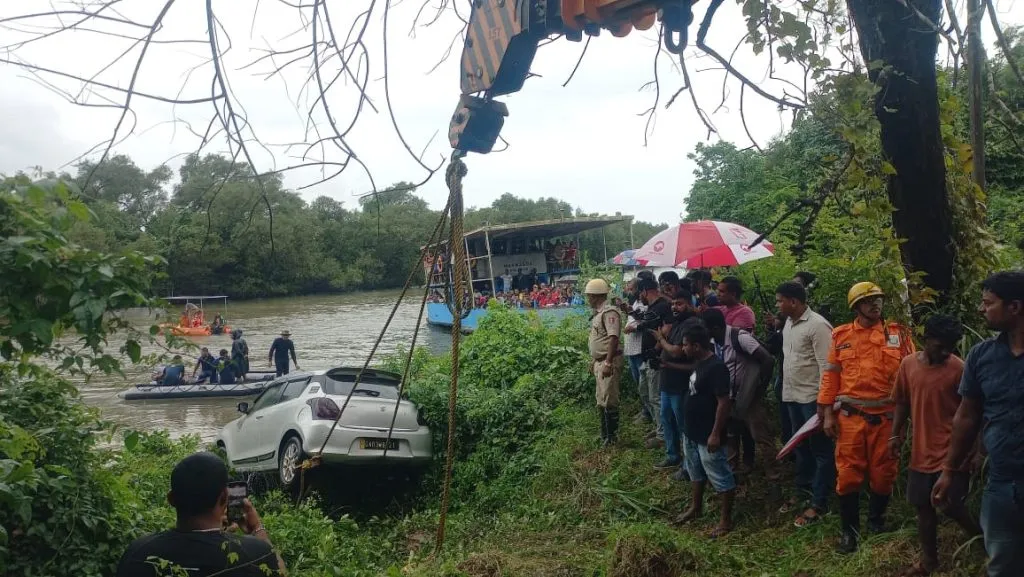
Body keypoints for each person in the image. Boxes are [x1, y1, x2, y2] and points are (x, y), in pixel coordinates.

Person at [933, 271, 1024, 577]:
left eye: (988, 303)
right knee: (1001, 561)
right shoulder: (981, 356)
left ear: (1014, 307)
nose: (981, 309)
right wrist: (948, 470)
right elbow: (967, 415)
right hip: (1002, 483)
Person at [819, 281, 915, 554]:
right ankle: (849, 533)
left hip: (887, 420)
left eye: (878, 300)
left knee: (884, 474)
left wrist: (910, 417)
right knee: (848, 476)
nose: (876, 305)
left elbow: (912, 375)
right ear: (856, 307)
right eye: (869, 301)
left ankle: (876, 523)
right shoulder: (841, 336)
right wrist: (827, 414)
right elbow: (830, 377)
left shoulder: (898, 334)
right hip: (851, 419)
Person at [890, 314, 981, 576]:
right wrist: (895, 435)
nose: (945, 352)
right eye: (939, 345)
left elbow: (974, 412)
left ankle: (984, 541)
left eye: (950, 347)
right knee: (923, 506)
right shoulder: (908, 365)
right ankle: (928, 561)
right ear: (926, 339)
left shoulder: (960, 369)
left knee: (951, 504)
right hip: (921, 451)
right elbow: (902, 403)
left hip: (952, 452)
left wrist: (975, 450)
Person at [115, 452, 285, 577]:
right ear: (225, 497)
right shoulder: (255, 553)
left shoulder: (137, 553)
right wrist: (257, 528)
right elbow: (281, 573)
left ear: (171, 499)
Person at [775, 281, 835, 527]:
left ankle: (820, 501)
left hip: (812, 400)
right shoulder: (789, 323)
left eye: (780, 300)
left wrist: (825, 404)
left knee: (821, 451)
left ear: (794, 302)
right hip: (792, 396)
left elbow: (827, 367)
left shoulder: (818, 326)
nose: (778, 305)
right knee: (801, 447)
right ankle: (803, 490)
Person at [675, 322, 736, 537]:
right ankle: (696, 507)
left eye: (685, 345)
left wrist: (715, 433)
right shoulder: (699, 363)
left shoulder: (716, 368)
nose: (683, 349)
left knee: (719, 475)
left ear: (697, 346)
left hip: (707, 432)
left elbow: (723, 402)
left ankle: (725, 521)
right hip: (691, 430)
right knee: (694, 470)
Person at [702, 308, 774, 475]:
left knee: (760, 435)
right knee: (732, 433)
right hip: (729, 397)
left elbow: (768, 360)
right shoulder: (714, 342)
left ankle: (774, 474)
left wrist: (759, 390)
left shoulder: (740, 337)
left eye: (705, 329)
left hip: (748, 396)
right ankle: (735, 469)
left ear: (715, 328)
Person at [651, 289, 700, 482]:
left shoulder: (692, 325)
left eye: (679, 304)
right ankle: (672, 455)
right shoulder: (677, 323)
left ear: (689, 303)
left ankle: (688, 466)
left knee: (683, 426)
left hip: (680, 383)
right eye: (673, 304)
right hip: (667, 381)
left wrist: (660, 339)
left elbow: (677, 352)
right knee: (666, 418)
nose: (674, 307)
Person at [625, 275, 673, 449]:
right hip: (646, 357)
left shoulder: (662, 306)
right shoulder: (652, 307)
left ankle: (663, 435)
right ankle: (659, 426)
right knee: (644, 392)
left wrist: (635, 326)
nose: (639, 297)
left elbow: (648, 323)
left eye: (640, 293)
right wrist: (630, 312)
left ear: (645, 291)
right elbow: (645, 318)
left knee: (655, 397)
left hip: (655, 357)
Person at [585, 278, 623, 447]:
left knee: (609, 399)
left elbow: (613, 338)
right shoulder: (599, 313)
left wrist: (607, 362)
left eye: (589, 296)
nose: (588, 299)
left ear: (595, 296)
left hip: (609, 361)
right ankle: (605, 435)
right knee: (601, 398)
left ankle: (612, 437)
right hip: (600, 361)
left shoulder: (609, 313)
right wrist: (595, 360)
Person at [621, 279, 653, 425]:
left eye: (632, 288)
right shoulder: (633, 303)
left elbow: (642, 323)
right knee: (639, 384)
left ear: (640, 290)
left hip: (639, 348)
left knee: (644, 385)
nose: (629, 290)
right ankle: (645, 410)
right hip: (631, 349)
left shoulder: (643, 305)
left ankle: (649, 414)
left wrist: (633, 327)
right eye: (628, 287)